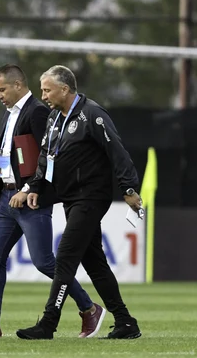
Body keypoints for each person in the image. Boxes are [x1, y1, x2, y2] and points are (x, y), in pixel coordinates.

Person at [0, 64, 106, 339]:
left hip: (30, 199)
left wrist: (28, 189)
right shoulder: (9, 114)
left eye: (2, 90)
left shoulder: (37, 112)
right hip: (5, 197)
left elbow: (49, 156)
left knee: (44, 262)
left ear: (17, 85)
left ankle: (89, 308)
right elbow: (11, 156)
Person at [15, 65, 143, 340]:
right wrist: (37, 185)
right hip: (71, 198)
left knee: (65, 257)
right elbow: (46, 155)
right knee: (94, 262)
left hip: (91, 197)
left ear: (65, 89)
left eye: (47, 90)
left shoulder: (92, 115)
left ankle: (48, 323)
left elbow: (116, 150)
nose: (43, 95)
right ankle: (125, 322)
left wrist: (129, 187)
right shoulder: (53, 118)